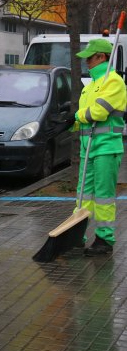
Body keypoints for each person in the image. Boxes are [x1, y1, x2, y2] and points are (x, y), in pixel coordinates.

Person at [70, 38, 127, 256]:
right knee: (83, 195)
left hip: (106, 148)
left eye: (90, 58)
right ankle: (76, 235)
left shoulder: (113, 82)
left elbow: (98, 112)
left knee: (103, 195)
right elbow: (85, 118)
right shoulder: (92, 85)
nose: (87, 63)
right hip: (89, 148)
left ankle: (104, 240)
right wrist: (69, 124)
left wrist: (76, 116)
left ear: (102, 57)